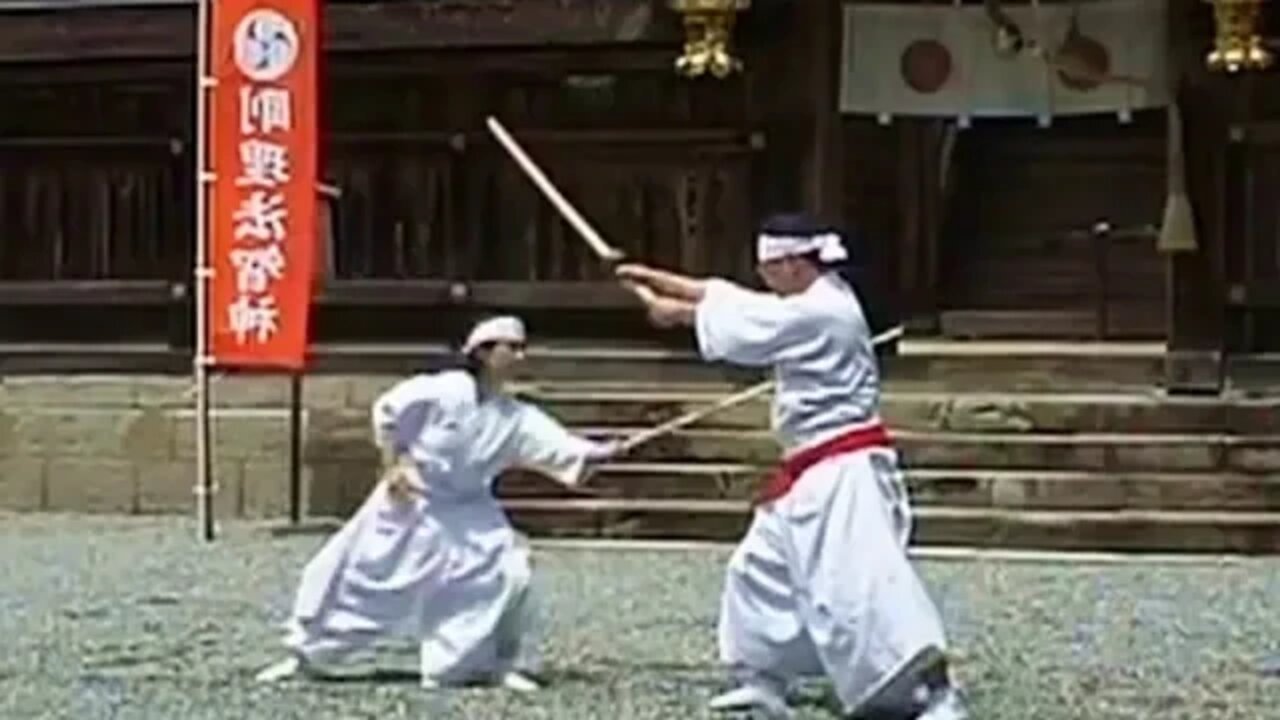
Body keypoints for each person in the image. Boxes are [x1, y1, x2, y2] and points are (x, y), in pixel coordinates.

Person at [615, 213, 966, 720]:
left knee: (862, 584)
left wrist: (668, 311)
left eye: (770, 270)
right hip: (810, 468)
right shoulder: (814, 299)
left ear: (795, 264)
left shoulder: (820, 312)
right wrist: (649, 277)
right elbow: (728, 299)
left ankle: (932, 695)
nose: (765, 280)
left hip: (843, 469)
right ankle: (763, 678)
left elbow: (730, 322)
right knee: (760, 568)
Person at [255, 315, 619, 691]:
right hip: (412, 498)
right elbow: (389, 413)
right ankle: (305, 655)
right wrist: (393, 465)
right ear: (484, 352)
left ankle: (475, 665)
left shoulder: (517, 415)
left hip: (469, 509)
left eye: (522, 348)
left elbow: (562, 447)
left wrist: (600, 452)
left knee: (509, 572)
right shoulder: (444, 389)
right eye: (512, 347)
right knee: (351, 574)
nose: (520, 356)